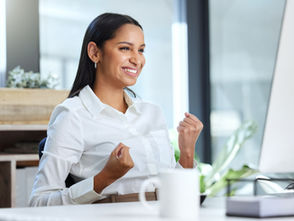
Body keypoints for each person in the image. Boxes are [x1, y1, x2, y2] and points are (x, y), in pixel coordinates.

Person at [29, 13, 203, 206]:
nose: (137, 60)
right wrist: (104, 178)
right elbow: (38, 202)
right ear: (95, 52)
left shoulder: (152, 113)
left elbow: (178, 194)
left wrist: (187, 152)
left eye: (141, 50)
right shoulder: (73, 115)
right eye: (125, 48)